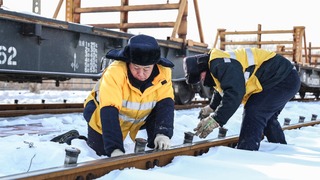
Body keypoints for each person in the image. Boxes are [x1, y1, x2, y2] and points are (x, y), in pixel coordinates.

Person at [183, 47, 301, 151]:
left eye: (200, 76)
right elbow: (224, 89)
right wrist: (211, 107)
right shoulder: (217, 64)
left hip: (283, 79)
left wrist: (216, 119)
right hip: (280, 78)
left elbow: (234, 93)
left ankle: (246, 152)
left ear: (202, 66)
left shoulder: (220, 64)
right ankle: (279, 148)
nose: (202, 80)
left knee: (255, 111)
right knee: (266, 117)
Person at [82, 34, 175, 157]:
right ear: (128, 62)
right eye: (136, 68)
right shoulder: (115, 72)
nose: (141, 74)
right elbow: (109, 109)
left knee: (159, 132)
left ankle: (157, 142)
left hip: (136, 117)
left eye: (146, 69)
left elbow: (166, 104)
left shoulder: (164, 73)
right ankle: (74, 138)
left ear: (155, 65)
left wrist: (163, 133)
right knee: (100, 153)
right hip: (102, 116)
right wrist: (115, 149)